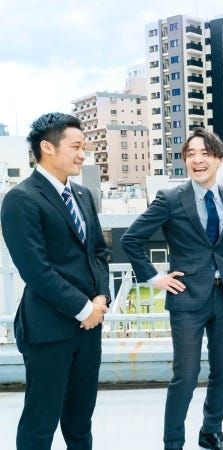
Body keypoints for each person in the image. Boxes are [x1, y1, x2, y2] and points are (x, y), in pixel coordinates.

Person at [120, 128, 223, 450]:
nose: (197, 159)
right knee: (186, 376)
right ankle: (173, 442)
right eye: (191, 154)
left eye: (205, 153)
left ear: (219, 159)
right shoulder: (170, 198)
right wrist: (155, 278)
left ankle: (211, 432)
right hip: (186, 298)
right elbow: (131, 240)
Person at [0, 112, 110, 450]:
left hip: (89, 329)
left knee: (80, 420)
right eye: (75, 147)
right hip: (48, 329)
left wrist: (101, 298)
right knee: (41, 421)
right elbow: (36, 270)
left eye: (83, 147)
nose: (82, 155)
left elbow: (98, 252)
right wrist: (84, 308)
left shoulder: (83, 195)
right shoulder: (21, 199)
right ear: (48, 147)